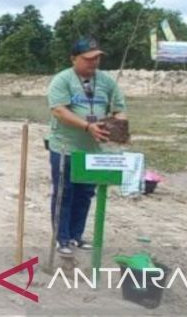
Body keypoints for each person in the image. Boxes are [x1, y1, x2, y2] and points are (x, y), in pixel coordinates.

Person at [45, 36, 127, 257]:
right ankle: (61, 238)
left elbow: (119, 108)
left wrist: (119, 127)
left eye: (97, 59)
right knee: (65, 193)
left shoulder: (106, 81)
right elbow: (59, 110)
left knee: (85, 193)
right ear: (74, 59)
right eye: (88, 59)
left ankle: (75, 236)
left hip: (93, 151)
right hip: (65, 147)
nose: (93, 63)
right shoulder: (62, 80)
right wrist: (86, 126)